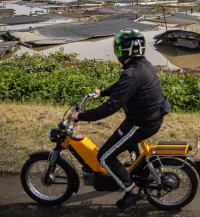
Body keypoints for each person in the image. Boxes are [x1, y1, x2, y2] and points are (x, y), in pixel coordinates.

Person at [69, 28, 170, 209]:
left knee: (105, 156)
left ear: (124, 50)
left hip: (142, 123)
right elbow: (122, 86)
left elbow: (111, 107)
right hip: (148, 117)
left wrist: (81, 116)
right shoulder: (142, 65)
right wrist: (103, 92)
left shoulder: (131, 73)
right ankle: (132, 164)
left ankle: (133, 192)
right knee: (121, 136)